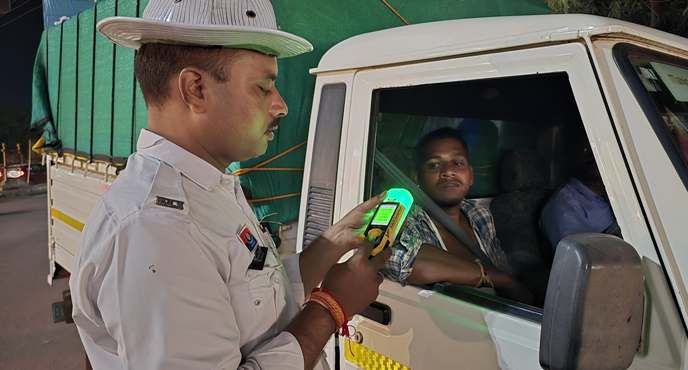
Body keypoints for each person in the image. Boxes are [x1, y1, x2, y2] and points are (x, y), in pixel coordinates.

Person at [69, 1, 387, 369]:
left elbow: (255, 294)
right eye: (263, 88)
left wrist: (334, 243)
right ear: (195, 89)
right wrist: (330, 307)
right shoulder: (158, 230)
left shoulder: (206, 187)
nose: (281, 106)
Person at [383, 128, 535, 304]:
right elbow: (398, 261)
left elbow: (501, 265)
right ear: (417, 177)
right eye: (434, 165)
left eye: (458, 163)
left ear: (470, 175)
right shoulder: (406, 220)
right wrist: (497, 279)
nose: (448, 171)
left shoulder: (479, 215)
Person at [541, 138, 617, 249]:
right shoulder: (562, 207)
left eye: (596, 150)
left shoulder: (615, 195)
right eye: (586, 151)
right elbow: (576, 257)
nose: (593, 156)